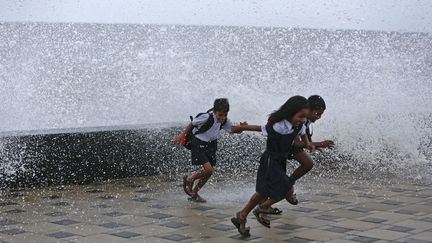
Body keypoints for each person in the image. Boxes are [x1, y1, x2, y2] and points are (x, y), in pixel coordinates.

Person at [230, 96, 313, 236]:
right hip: (270, 160)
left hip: (280, 160)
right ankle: (262, 208)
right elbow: (258, 128)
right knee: (285, 187)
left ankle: (242, 216)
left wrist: (308, 143)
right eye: (300, 116)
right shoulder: (278, 125)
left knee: (263, 192)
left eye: (304, 117)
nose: (302, 120)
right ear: (291, 112)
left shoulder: (299, 124)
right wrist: (242, 127)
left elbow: (303, 133)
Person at [175, 98, 245, 203]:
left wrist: (241, 128)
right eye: (220, 115)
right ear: (214, 112)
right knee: (209, 170)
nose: (223, 117)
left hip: (211, 145)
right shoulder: (206, 117)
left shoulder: (225, 120)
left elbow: (232, 130)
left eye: (225, 115)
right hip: (198, 144)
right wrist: (182, 135)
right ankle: (190, 179)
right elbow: (192, 124)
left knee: (209, 173)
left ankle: (194, 193)